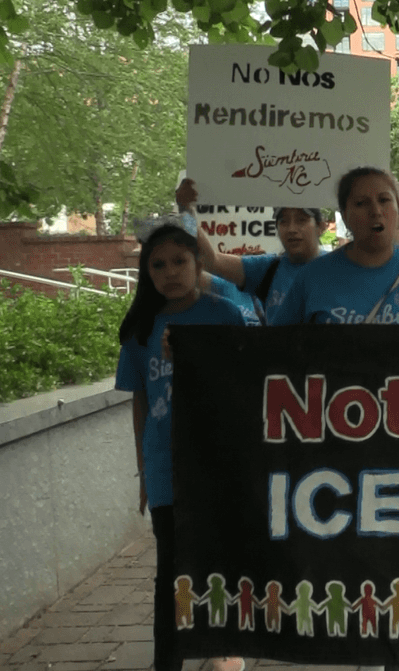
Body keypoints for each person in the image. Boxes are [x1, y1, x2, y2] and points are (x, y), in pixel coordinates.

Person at [114, 221, 247, 671]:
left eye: (179, 261)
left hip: (216, 465)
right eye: (158, 264)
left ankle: (221, 648)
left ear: (197, 262)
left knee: (218, 560)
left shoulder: (226, 316)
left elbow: (240, 386)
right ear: (146, 272)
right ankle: (166, 661)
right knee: (170, 569)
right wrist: (143, 473)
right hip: (165, 466)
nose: (170, 272)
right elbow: (140, 401)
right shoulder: (139, 328)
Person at [270, 168, 399, 327]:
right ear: (345, 216)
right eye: (361, 203)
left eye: (384, 200)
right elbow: (279, 349)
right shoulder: (311, 277)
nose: (376, 211)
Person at [175, 179, 327, 322]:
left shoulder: (340, 267)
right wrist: (186, 210)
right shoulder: (267, 269)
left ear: (321, 227)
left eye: (302, 220)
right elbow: (210, 260)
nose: (291, 229)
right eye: (283, 221)